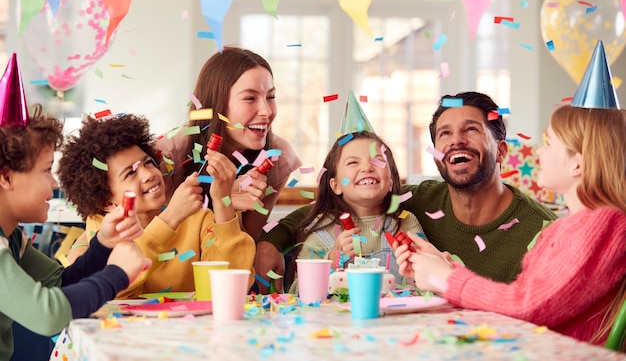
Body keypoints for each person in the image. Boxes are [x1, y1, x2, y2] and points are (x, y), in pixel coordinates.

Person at [255, 91, 557, 293]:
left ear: (501, 150)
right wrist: (271, 241)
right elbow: (325, 210)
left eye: (471, 130)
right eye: (445, 133)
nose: (456, 141)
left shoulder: (542, 231)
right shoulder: (416, 199)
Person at [395, 105, 626, 347]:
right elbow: (527, 298)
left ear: (576, 165)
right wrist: (442, 267)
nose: (538, 151)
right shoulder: (571, 227)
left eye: (548, 143)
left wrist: (447, 277)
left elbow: (527, 306)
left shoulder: (600, 226)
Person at [0, 53, 150, 359]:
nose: (54, 185)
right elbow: (48, 314)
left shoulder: (12, 237)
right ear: (6, 177)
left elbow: (60, 282)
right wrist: (118, 274)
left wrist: (104, 244)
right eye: (45, 171)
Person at [57, 113, 256, 298]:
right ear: (106, 202)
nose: (149, 174)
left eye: (148, 163)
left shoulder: (197, 217)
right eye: (130, 173)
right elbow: (111, 293)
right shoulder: (103, 227)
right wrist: (170, 219)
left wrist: (222, 201)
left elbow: (231, 290)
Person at [156, 47, 302, 240]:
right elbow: (150, 240)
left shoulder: (278, 156)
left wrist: (271, 243)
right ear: (217, 104)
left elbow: (247, 242)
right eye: (250, 98)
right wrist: (222, 200)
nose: (266, 111)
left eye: (271, 97)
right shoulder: (166, 154)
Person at [287, 131, 425, 292]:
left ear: (391, 183)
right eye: (353, 162)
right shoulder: (321, 231)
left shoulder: (405, 222)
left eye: (378, 161)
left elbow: (428, 281)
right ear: (336, 185)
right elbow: (297, 291)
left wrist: (416, 269)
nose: (367, 167)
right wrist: (331, 261)